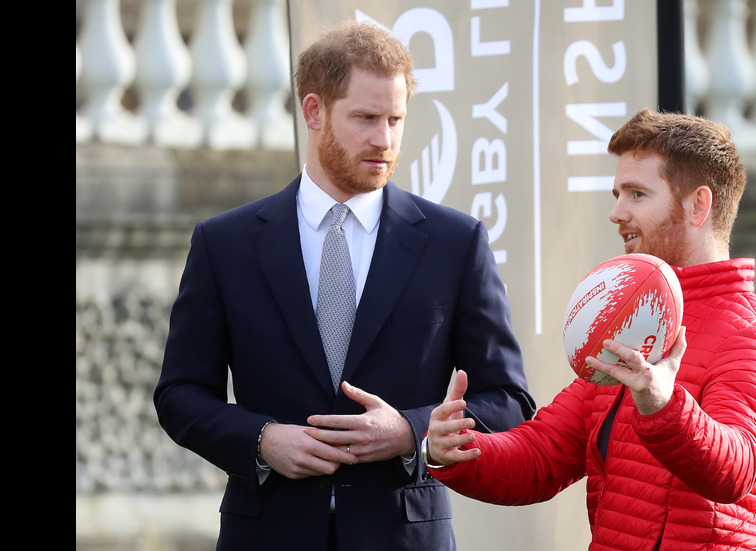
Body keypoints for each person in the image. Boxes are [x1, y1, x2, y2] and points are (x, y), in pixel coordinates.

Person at [154, 20, 535, 551]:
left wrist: (411, 432)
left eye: (395, 119)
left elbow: (511, 399)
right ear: (313, 111)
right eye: (365, 118)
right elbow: (179, 394)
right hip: (266, 535)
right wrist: (262, 441)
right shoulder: (225, 244)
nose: (385, 140)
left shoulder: (455, 242)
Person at [425, 109, 756, 550]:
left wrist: (663, 405)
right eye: (617, 194)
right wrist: (456, 451)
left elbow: (736, 470)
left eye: (637, 194)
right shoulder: (630, 319)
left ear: (699, 205)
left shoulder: (753, 334)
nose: (616, 212)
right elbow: (543, 455)